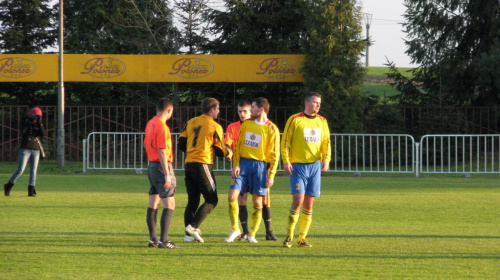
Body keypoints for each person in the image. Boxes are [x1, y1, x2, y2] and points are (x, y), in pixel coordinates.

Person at [225, 97, 280, 243]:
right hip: (243, 164)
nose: (251, 111)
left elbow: (275, 154)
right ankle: (235, 229)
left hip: (260, 167)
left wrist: (271, 174)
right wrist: (236, 164)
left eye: (253, 107)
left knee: (258, 202)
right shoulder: (247, 124)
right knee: (232, 196)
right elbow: (237, 145)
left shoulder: (271, 128)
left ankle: (252, 234)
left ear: (261, 109)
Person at [178, 97, 232, 243]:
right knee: (212, 199)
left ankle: (188, 236)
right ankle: (193, 227)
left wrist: (193, 150)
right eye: (218, 109)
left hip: (189, 164)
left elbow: (181, 144)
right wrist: (229, 152)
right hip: (202, 164)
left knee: (193, 201)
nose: (219, 111)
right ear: (212, 109)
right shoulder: (215, 126)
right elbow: (220, 151)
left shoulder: (191, 122)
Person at [281, 92, 331, 248]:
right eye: (315, 102)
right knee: (298, 201)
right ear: (307, 103)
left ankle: (302, 238)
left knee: (309, 204)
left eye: (319, 103)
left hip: (314, 167)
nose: (317, 105)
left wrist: (326, 159)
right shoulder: (295, 120)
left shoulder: (322, 121)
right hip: (298, 167)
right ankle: (289, 235)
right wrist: (286, 161)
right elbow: (285, 142)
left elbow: (326, 142)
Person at [143, 97, 178, 249]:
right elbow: (162, 151)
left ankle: (153, 240)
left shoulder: (150, 123)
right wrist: (167, 174)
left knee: (154, 202)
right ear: (169, 110)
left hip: (151, 165)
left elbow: (147, 145)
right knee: (169, 203)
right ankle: (164, 241)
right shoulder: (162, 127)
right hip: (160, 166)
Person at [4, 107, 46, 197]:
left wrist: (39, 123)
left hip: (36, 149)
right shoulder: (25, 121)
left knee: (34, 171)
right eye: (35, 116)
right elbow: (23, 132)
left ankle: (31, 190)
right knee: (21, 170)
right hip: (26, 148)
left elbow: (43, 134)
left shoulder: (38, 124)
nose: (36, 118)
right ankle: (9, 185)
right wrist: (29, 122)